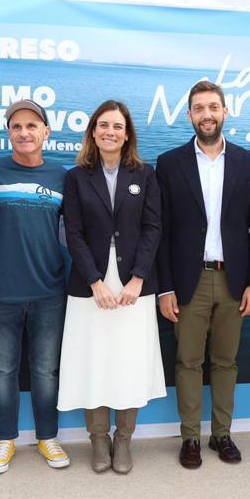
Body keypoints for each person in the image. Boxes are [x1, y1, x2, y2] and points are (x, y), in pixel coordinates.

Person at [155, 80, 250, 469]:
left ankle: (222, 434)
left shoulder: (248, 162)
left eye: (213, 107)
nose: (207, 114)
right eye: (199, 108)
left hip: (234, 281)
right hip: (190, 281)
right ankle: (190, 438)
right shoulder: (169, 163)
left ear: (225, 112)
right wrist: (164, 288)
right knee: (187, 361)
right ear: (189, 115)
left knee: (225, 361)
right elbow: (163, 232)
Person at [56, 100, 165, 475]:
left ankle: (123, 440)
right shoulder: (76, 178)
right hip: (91, 285)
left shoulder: (146, 175)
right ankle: (98, 438)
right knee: (94, 362)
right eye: (103, 125)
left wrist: (138, 278)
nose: (110, 132)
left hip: (134, 284)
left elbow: (153, 229)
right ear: (93, 132)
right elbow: (73, 232)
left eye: (117, 126)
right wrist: (95, 281)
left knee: (129, 363)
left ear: (127, 133)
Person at [0, 100, 69, 474]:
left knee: (46, 372)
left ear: (46, 132)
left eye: (32, 125)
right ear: (8, 132)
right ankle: (6, 440)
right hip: (0, 292)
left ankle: (47, 437)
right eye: (16, 126)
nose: (24, 132)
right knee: (3, 372)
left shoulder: (62, 177)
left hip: (49, 291)